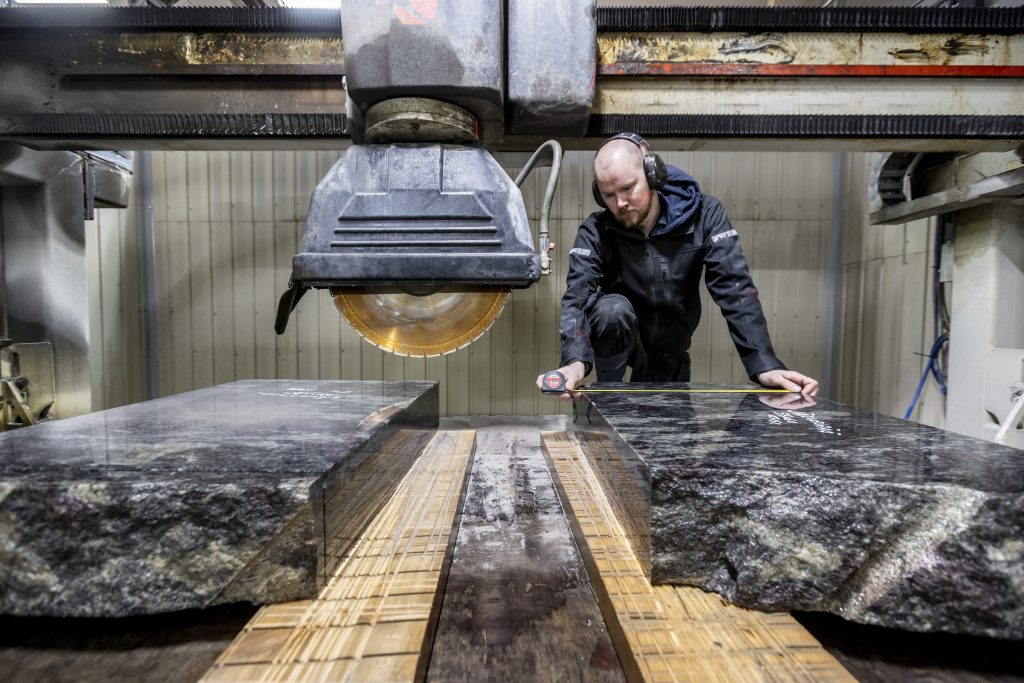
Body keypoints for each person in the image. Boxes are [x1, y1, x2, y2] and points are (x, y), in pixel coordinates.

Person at [536, 133, 819, 397]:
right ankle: (607, 398)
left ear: (653, 174)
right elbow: (577, 299)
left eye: (628, 188)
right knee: (611, 310)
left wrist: (764, 364)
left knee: (668, 430)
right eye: (608, 195)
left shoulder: (705, 216)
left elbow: (736, 291)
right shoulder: (595, 231)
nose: (620, 203)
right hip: (618, 338)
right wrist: (575, 362)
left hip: (670, 351)